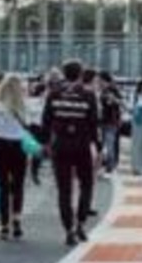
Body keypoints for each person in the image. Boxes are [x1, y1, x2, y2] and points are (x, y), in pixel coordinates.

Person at [42, 59, 100, 247]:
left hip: (61, 144)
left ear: (64, 73)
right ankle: (81, 222)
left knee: (64, 189)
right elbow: (94, 122)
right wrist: (97, 146)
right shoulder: (88, 95)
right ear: (81, 74)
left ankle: (68, 229)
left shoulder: (54, 94)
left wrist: (45, 143)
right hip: (82, 144)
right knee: (87, 184)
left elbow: (46, 121)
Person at [0, 73, 33, 240]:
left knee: (3, 187)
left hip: (0, 145)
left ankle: (4, 226)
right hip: (19, 146)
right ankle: (17, 220)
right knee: (18, 186)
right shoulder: (24, 105)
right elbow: (29, 125)